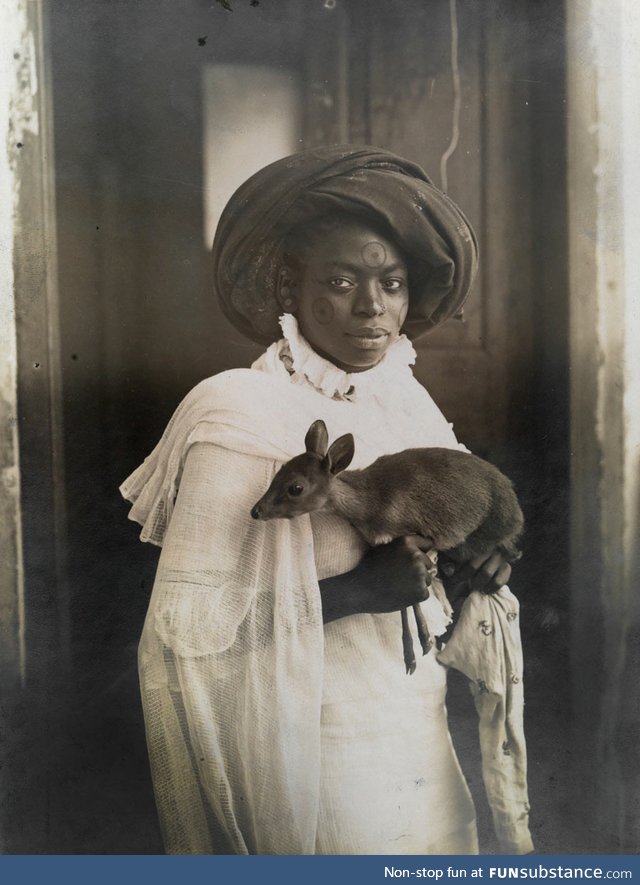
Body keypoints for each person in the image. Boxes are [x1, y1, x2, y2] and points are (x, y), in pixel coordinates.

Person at [121, 145, 532, 855]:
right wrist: (353, 592)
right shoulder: (236, 411)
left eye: (394, 284)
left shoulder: (409, 402)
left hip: (419, 736)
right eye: (343, 280)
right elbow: (184, 634)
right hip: (313, 754)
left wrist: (476, 565)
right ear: (289, 283)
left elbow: (449, 534)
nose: (373, 307)